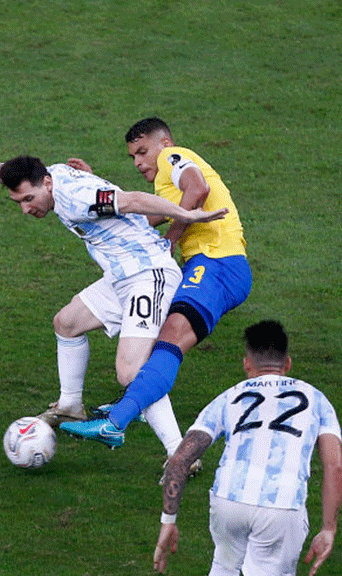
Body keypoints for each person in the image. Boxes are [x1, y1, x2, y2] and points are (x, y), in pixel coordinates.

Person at [0, 138, 228, 464]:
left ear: (46, 184)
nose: (26, 209)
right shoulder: (50, 175)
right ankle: (70, 405)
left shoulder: (75, 199)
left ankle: (180, 452)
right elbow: (1, 172)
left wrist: (186, 215)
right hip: (122, 274)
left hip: (149, 274)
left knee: (131, 373)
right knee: (67, 323)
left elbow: (132, 200)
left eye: (29, 199)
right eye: (18, 202)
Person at [154, 321, 342, 576]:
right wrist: (328, 528)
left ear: (246, 364)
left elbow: (179, 461)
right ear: (287, 363)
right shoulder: (317, 399)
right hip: (282, 505)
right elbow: (334, 467)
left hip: (228, 498)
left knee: (225, 565)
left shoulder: (231, 396)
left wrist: (168, 523)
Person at [59, 117, 251, 449]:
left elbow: (198, 190)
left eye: (142, 151)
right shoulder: (165, 186)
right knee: (162, 340)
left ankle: (118, 421)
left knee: (170, 338)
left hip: (219, 262)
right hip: (207, 265)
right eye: (132, 157)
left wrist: (173, 236)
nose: (138, 162)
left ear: (163, 143)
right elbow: (139, 220)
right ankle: (134, 406)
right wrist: (92, 189)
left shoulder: (171, 157)